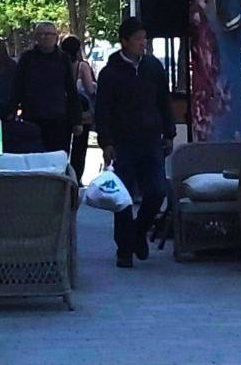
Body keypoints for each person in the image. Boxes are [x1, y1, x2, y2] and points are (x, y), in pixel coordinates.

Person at [95, 17, 177, 268]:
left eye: (145, 38)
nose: (143, 43)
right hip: (123, 143)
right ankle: (124, 249)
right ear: (124, 41)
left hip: (151, 140)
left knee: (157, 191)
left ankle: (138, 230)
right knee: (123, 197)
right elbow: (103, 110)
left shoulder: (153, 67)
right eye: (138, 39)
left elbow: (164, 101)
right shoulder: (110, 73)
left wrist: (169, 133)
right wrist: (106, 142)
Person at [11, 22, 81, 154]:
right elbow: (17, 86)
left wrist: (77, 120)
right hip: (32, 118)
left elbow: (71, 90)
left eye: (49, 34)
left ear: (56, 37)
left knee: (57, 158)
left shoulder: (63, 58)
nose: (45, 37)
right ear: (36, 37)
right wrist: (12, 110)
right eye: (41, 34)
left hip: (58, 119)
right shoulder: (27, 58)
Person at [60, 36, 98, 181]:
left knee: (62, 147)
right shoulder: (82, 66)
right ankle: (76, 178)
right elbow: (90, 89)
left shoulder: (59, 63)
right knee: (79, 149)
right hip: (82, 113)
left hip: (62, 111)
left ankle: (62, 176)